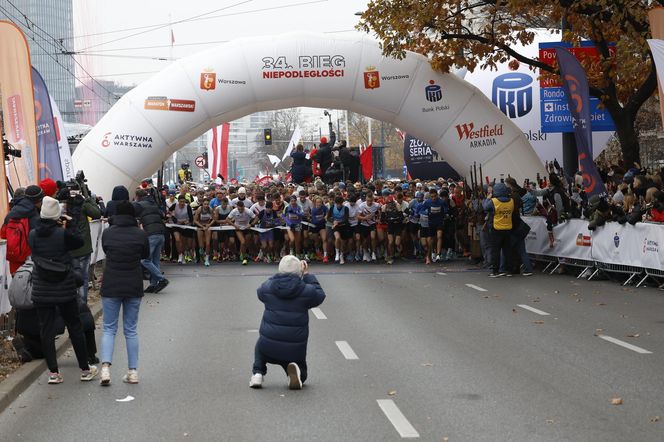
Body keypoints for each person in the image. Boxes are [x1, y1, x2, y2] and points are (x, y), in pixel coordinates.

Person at [28, 196, 97, 384]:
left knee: (46, 330)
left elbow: (34, 251)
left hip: (42, 287)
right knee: (75, 327)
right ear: (57, 216)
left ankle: (53, 373)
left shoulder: (33, 234)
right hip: (64, 287)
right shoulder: (62, 233)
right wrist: (71, 224)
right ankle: (84, 369)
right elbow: (78, 242)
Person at [249, 255, 325, 390]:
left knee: (259, 345)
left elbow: (259, 292)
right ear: (300, 271)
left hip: (269, 346)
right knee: (302, 372)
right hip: (294, 349)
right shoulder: (306, 290)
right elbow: (320, 295)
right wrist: (307, 275)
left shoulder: (268, 287)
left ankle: (258, 373)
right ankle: (296, 374)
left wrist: (278, 277)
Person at [99, 201, 150, 386]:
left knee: (109, 328)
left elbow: (105, 250)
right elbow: (145, 254)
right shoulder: (140, 234)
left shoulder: (108, 233)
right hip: (133, 283)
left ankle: (105, 367)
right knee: (130, 329)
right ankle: (133, 371)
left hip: (112, 282)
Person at [2, 185, 43, 274]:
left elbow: (3, 235)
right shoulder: (34, 215)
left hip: (14, 263)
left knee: (17, 285)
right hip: (30, 263)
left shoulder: (10, 215)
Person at [136, 188, 169, 292]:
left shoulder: (139, 205)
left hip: (151, 234)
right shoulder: (153, 203)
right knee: (155, 261)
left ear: (138, 196)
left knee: (144, 260)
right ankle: (153, 285)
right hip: (161, 233)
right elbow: (162, 215)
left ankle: (162, 279)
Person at [483, 183, 514, 278]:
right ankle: (508, 270)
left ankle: (495, 271)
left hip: (496, 229)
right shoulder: (511, 201)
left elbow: (485, 207)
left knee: (495, 251)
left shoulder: (494, 201)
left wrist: (488, 198)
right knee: (507, 251)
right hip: (508, 228)